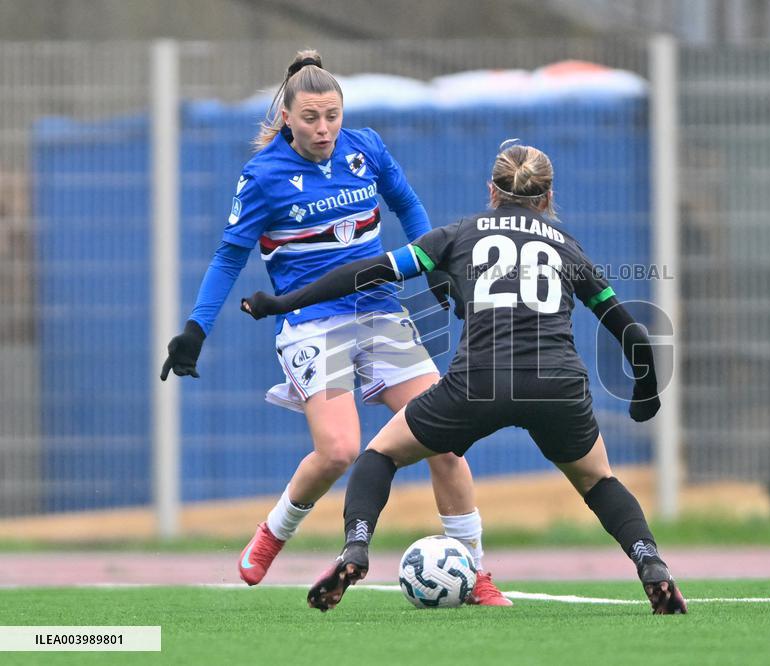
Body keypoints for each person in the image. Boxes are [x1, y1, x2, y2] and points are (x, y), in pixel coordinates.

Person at [241, 142, 688, 615]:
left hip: (479, 382)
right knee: (599, 482)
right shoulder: (565, 245)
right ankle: (650, 561)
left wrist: (285, 302)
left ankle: (355, 547)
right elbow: (633, 333)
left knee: (381, 454)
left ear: (491, 191)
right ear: (547, 197)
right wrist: (645, 394)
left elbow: (368, 272)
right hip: (556, 384)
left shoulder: (460, 234)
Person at [159, 49, 510, 605]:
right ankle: (275, 531)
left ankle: (475, 572)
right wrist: (196, 327)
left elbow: (409, 207)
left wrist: (437, 269)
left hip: (381, 312)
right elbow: (229, 257)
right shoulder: (264, 176)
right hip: (311, 323)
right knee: (340, 450)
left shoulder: (365, 148)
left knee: (445, 440)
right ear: (287, 119)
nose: (323, 129)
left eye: (332, 116)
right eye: (310, 119)